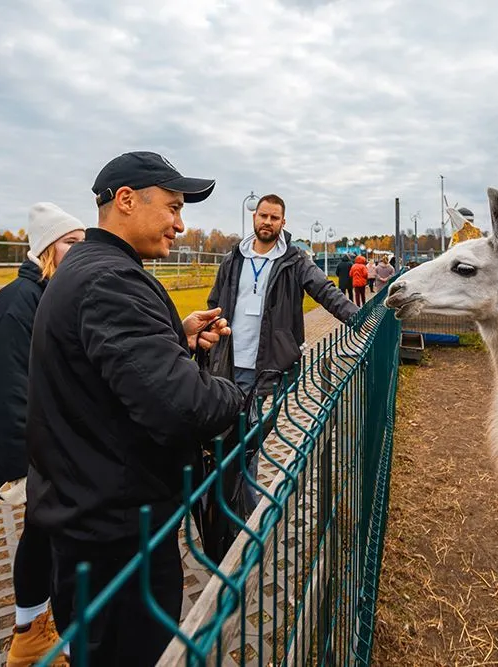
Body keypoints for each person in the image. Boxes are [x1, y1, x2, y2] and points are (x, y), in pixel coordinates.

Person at [26, 151, 245, 666]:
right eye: (172, 206)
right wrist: (240, 395)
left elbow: (114, 375)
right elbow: (182, 407)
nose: (180, 223)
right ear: (127, 200)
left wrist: (178, 339)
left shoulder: (92, 268)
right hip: (117, 539)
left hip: (98, 520)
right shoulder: (111, 280)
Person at [205, 193, 358, 513]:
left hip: (267, 365)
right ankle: (233, 502)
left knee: (247, 439)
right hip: (229, 362)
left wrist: (360, 319)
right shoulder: (234, 259)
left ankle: (242, 509)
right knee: (232, 436)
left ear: (283, 223)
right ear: (254, 217)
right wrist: (214, 331)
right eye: (263, 215)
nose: (267, 222)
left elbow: (326, 292)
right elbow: (214, 301)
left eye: (274, 218)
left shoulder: (295, 260)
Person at [0, 203, 85, 667]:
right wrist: (22, 470)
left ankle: (35, 633)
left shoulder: (51, 295)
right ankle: (31, 635)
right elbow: (7, 395)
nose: (80, 252)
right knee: (45, 538)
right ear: (46, 249)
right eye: (71, 243)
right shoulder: (14, 303)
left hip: (56, 448)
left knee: (44, 539)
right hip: (32, 454)